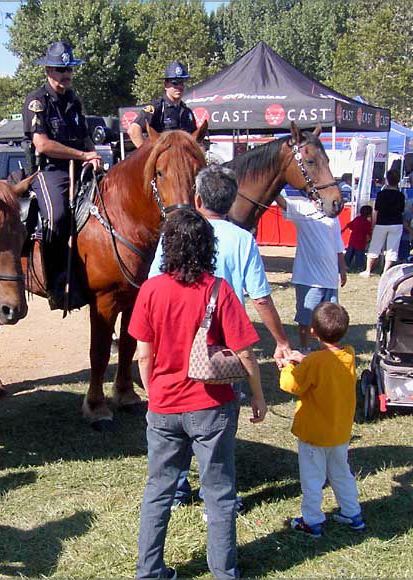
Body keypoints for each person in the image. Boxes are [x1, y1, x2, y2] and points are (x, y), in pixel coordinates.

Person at [129, 210, 266, 580]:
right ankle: (224, 572)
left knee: (158, 490)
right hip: (212, 406)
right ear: (208, 247)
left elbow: (144, 353)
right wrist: (258, 395)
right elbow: (246, 354)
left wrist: (152, 393)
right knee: (219, 491)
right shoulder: (218, 290)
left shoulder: (151, 290)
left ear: (168, 247)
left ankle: (149, 571)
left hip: (164, 406)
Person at [149, 164, 292, 509]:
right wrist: (281, 341)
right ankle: (216, 485)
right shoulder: (243, 240)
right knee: (221, 415)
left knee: (177, 410)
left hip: (177, 336)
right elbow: (260, 297)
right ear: (231, 202)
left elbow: (155, 282)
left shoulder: (174, 234)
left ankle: (179, 486)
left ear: (197, 198)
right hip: (226, 345)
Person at [22, 41, 102, 310]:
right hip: (49, 171)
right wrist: (81, 156)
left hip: (81, 168)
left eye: (68, 69)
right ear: (47, 70)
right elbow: (42, 144)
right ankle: (57, 282)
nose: (65, 74)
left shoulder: (74, 101)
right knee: (56, 218)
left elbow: (86, 137)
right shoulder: (37, 102)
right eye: (59, 69)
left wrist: (94, 154)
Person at [280, 302, 364, 538]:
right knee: (341, 472)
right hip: (339, 432)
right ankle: (352, 512)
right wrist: (305, 359)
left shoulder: (315, 362)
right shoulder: (349, 354)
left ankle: (311, 520)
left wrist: (288, 366)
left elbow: (291, 385)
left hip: (314, 434)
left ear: (313, 332)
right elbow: (324, 363)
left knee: (312, 479)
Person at [273, 190, 346, 350]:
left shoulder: (332, 214)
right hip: (308, 279)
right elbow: (283, 202)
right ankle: (305, 349)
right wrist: (275, 188)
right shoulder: (302, 209)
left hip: (329, 278)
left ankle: (327, 350)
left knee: (330, 319)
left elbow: (338, 244)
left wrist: (342, 269)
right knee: (306, 320)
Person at [128, 61, 197, 148]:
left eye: (182, 82)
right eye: (175, 83)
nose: (179, 87)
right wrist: (148, 155)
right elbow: (133, 131)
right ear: (165, 85)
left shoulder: (187, 113)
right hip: (161, 159)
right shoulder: (156, 108)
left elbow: (196, 139)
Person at [361, 169, 405, 277]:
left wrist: (372, 225)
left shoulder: (381, 194)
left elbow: (375, 211)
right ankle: (386, 272)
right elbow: (402, 211)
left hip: (381, 223)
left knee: (375, 246)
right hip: (396, 223)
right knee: (392, 249)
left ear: (387, 180)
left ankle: (368, 270)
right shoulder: (401, 195)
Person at [341, 205, 372, 272]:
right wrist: (370, 239)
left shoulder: (357, 219)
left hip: (352, 241)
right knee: (360, 256)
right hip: (361, 242)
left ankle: (345, 266)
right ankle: (359, 268)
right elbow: (370, 233)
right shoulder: (367, 223)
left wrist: (342, 231)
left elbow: (348, 225)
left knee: (349, 255)